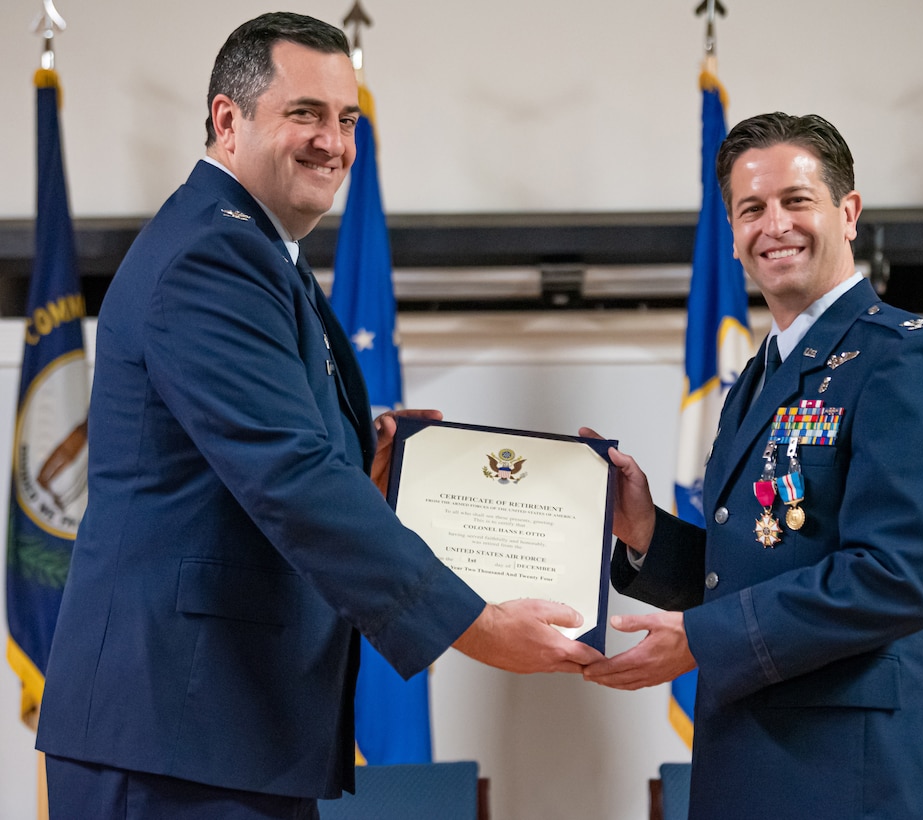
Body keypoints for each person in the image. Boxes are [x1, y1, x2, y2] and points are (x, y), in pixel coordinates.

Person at [35, 12, 601, 819]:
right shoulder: (212, 256)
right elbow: (288, 475)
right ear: (228, 120)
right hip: (173, 730)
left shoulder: (262, 256)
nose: (332, 143)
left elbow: (265, 452)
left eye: (347, 119)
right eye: (305, 114)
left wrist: (368, 454)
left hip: (223, 727)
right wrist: (470, 624)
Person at [581, 112, 923, 818]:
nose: (774, 226)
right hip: (746, 759)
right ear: (731, 235)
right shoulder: (756, 379)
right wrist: (645, 529)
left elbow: (898, 575)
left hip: (852, 777)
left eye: (796, 201)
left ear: (847, 212)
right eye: (750, 209)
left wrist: (700, 639)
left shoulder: (905, 359)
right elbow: (755, 563)